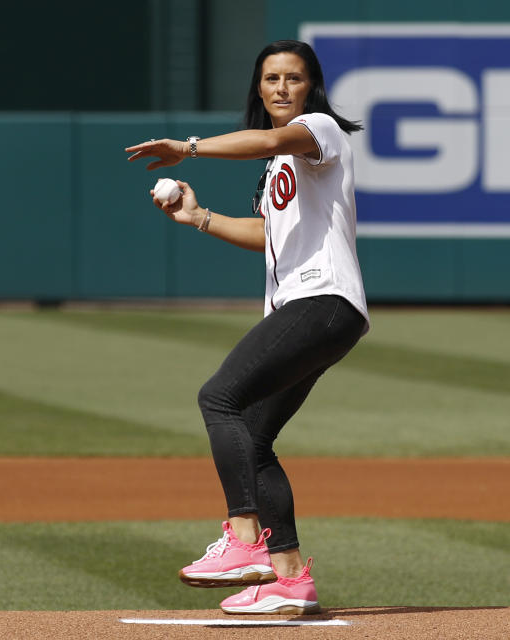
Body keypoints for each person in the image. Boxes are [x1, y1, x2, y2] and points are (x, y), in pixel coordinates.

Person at [125, 40, 369, 615]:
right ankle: (289, 578)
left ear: (312, 87)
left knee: (220, 399)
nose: (282, 87)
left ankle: (241, 541)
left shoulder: (320, 130)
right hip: (311, 307)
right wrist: (198, 216)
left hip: (322, 297)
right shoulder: (279, 164)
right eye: (271, 78)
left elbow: (264, 138)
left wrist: (187, 147)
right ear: (258, 88)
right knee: (254, 438)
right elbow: (269, 236)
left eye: (294, 77)